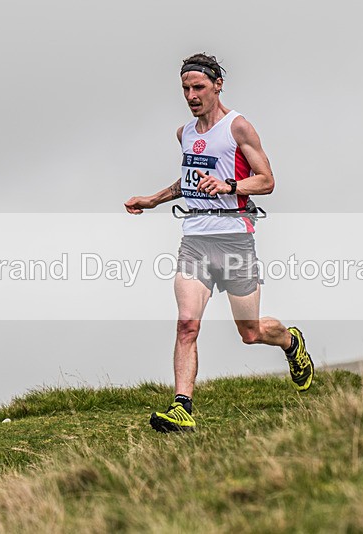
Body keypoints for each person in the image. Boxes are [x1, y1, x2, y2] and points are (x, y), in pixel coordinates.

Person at [124, 53, 313, 433]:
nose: (191, 96)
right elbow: (189, 181)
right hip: (195, 239)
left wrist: (230, 186)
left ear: (217, 85)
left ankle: (291, 343)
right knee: (186, 325)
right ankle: (182, 408)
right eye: (185, 89)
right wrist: (153, 199)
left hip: (235, 239)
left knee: (251, 333)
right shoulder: (185, 133)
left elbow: (266, 180)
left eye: (198, 87)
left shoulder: (238, 127)